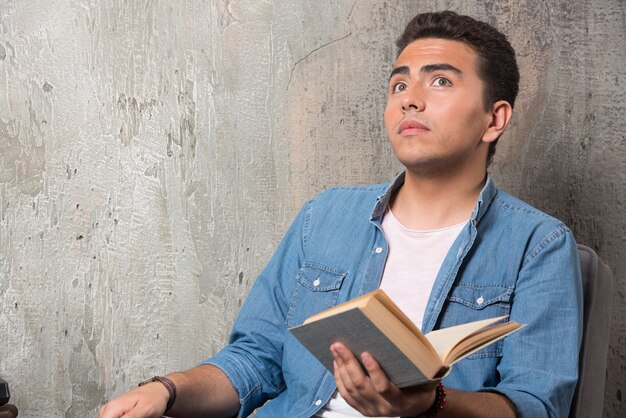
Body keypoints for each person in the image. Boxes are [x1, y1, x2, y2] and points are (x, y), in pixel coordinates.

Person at [99, 11, 582, 418]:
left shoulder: (538, 244)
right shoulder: (324, 216)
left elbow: (535, 404)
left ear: (494, 119)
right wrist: (166, 390)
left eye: (439, 80)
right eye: (399, 84)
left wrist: (430, 403)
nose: (410, 98)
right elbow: (256, 359)